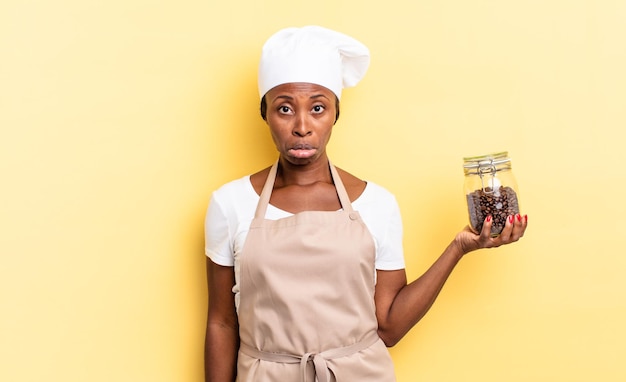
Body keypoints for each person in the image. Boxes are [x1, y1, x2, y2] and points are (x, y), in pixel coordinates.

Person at [204, 25, 528, 382]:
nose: (302, 126)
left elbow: (388, 327)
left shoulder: (377, 203)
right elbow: (221, 321)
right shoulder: (230, 203)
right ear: (264, 113)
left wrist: (458, 247)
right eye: (284, 109)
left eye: (317, 108)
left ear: (335, 115)